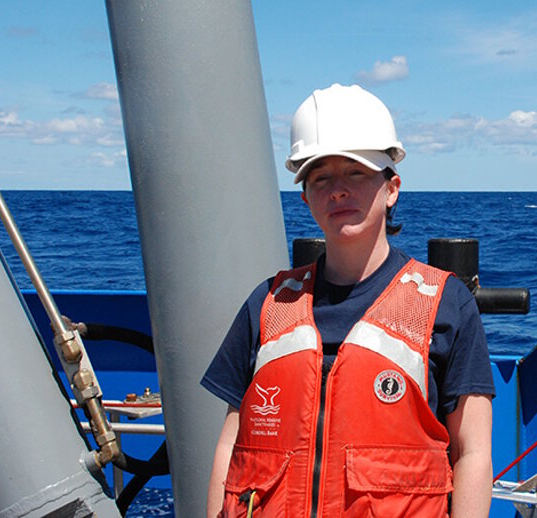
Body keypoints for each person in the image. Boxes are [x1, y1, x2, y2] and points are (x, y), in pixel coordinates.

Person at [202, 83, 494, 517]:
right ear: (306, 198)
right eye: (321, 177)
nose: (338, 189)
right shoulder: (267, 305)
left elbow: (472, 453)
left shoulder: (445, 304)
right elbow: (232, 444)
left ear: (391, 188)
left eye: (355, 172)